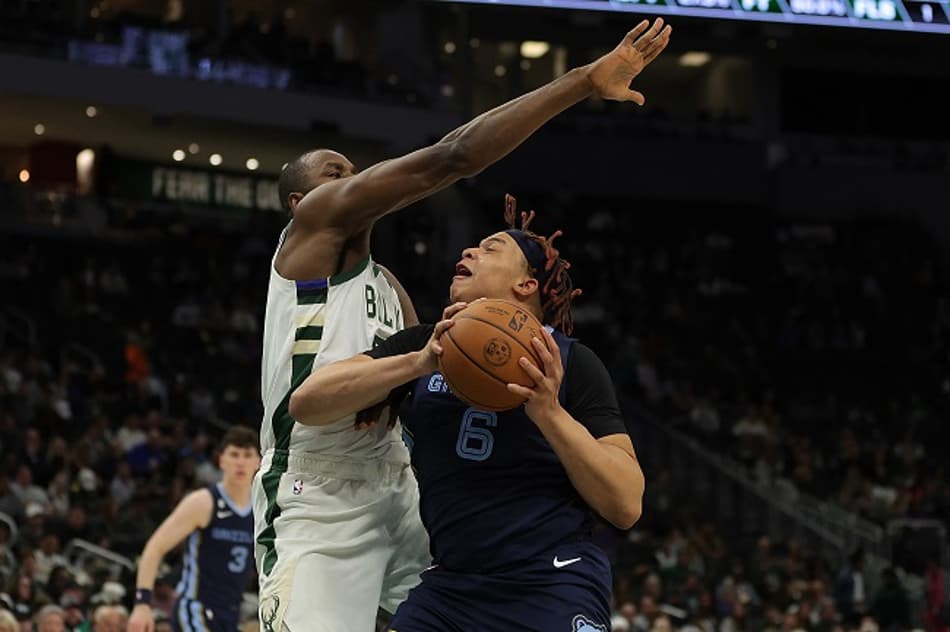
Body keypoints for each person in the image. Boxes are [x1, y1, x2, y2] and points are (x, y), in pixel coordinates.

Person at [254, 19, 670, 632]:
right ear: (301, 203)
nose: (356, 180)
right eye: (337, 172)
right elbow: (457, 155)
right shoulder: (313, 234)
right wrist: (582, 81)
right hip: (320, 489)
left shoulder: (391, 289)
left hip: (402, 491)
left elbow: (622, 501)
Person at [290, 196, 646, 630]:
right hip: (451, 587)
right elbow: (307, 403)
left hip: (551, 581)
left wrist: (549, 412)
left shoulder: (571, 363)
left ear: (526, 285)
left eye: (490, 248)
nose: (468, 252)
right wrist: (418, 363)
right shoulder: (424, 345)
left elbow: (626, 504)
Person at [129, 427, 260, 632]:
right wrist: (142, 603)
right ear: (221, 460)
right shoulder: (204, 502)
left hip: (232, 611)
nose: (240, 462)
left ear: (258, 462)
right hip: (196, 608)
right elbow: (154, 547)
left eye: (247, 455)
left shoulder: (259, 508)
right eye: (234, 454)